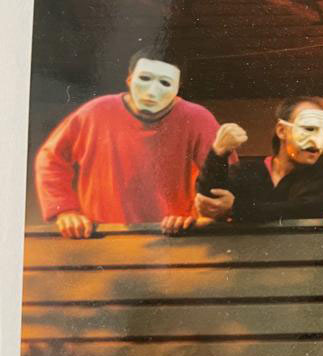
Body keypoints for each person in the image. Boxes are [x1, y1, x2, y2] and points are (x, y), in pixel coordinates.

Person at [34, 47, 218, 238]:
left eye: (165, 83)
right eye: (145, 79)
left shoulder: (197, 119)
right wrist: (65, 211)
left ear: (178, 88)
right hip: (101, 235)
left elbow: (225, 175)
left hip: (175, 234)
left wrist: (203, 218)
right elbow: (50, 158)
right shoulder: (95, 112)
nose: (152, 91)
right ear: (130, 80)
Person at [194, 97, 323, 223]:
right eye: (309, 129)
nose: (318, 141)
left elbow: (303, 209)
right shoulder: (245, 170)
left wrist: (236, 208)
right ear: (281, 130)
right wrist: (218, 154)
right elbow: (210, 199)